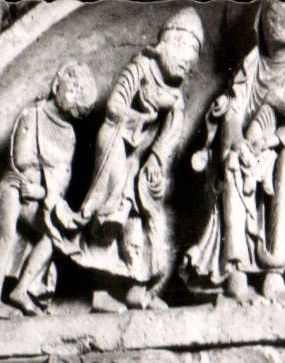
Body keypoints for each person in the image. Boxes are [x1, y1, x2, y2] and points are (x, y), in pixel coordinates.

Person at [183, 0, 285, 302]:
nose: (279, 14)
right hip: (248, 147)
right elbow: (234, 110)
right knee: (232, 164)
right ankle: (236, 269)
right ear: (259, 21)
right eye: (272, 7)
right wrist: (238, 140)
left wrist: (274, 140)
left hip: (282, 149)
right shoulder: (251, 66)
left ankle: (275, 268)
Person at [64, 10, 203, 309]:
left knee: (138, 220)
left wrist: (155, 159)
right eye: (182, 50)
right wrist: (151, 108)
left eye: (192, 59)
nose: (186, 62)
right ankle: (101, 290)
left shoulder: (176, 97)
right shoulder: (140, 68)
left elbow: (171, 135)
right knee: (110, 212)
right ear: (165, 43)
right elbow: (114, 108)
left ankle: (135, 286)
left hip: (139, 161)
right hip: (115, 145)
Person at [0, 61, 97, 319]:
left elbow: (63, 176)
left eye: (80, 93)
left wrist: (43, 192)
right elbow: (22, 158)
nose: (74, 94)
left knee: (54, 237)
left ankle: (20, 290)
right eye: (74, 85)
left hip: (37, 195)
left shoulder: (68, 134)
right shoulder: (32, 115)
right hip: (14, 186)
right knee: (6, 237)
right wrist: (36, 182)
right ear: (59, 82)